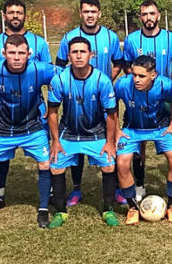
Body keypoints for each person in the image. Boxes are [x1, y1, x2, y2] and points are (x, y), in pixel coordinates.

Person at [0, 35, 58, 231]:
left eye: (21, 53)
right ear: (4, 54)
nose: (17, 57)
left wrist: (53, 105)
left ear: (29, 54)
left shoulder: (40, 69)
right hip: (1, 127)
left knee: (45, 164)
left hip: (32, 126)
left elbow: (66, 76)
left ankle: (44, 208)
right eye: (12, 53)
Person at [0, 0, 52, 219]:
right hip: (2, 118)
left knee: (45, 160)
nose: (15, 16)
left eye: (19, 12)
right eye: (11, 12)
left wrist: (51, 108)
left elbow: (57, 76)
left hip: (33, 115)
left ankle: (44, 203)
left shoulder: (39, 47)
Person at [56, 0, 124, 207]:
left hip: (103, 99)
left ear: (99, 13)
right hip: (75, 99)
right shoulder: (70, 37)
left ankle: (117, 188)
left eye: (93, 11)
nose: (90, 15)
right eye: (86, 11)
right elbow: (59, 66)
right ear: (80, 13)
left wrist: (103, 84)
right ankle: (77, 189)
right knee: (77, 140)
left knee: (112, 140)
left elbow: (118, 63)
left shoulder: (110, 37)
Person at [47, 37, 119, 228]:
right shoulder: (59, 79)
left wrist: (110, 142)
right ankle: (61, 212)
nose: (78, 56)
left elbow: (111, 115)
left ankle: (108, 209)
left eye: (82, 52)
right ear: (68, 55)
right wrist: (55, 141)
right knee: (55, 166)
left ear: (91, 54)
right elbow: (52, 113)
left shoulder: (102, 80)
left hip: (97, 132)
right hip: (69, 132)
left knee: (109, 166)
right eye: (74, 52)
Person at [123, 0, 172, 201]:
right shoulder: (132, 40)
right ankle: (140, 185)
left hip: (163, 99)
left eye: (152, 13)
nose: (148, 18)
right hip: (139, 99)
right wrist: (141, 85)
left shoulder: (171, 38)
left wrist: (163, 83)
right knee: (138, 143)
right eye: (144, 14)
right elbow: (127, 67)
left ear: (158, 15)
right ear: (140, 17)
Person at [115, 55, 172, 225]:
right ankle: (132, 207)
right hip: (132, 128)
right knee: (122, 162)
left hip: (161, 127)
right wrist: (116, 129)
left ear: (153, 75)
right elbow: (112, 105)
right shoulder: (123, 84)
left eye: (142, 76)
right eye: (134, 75)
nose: (136, 79)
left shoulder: (165, 84)